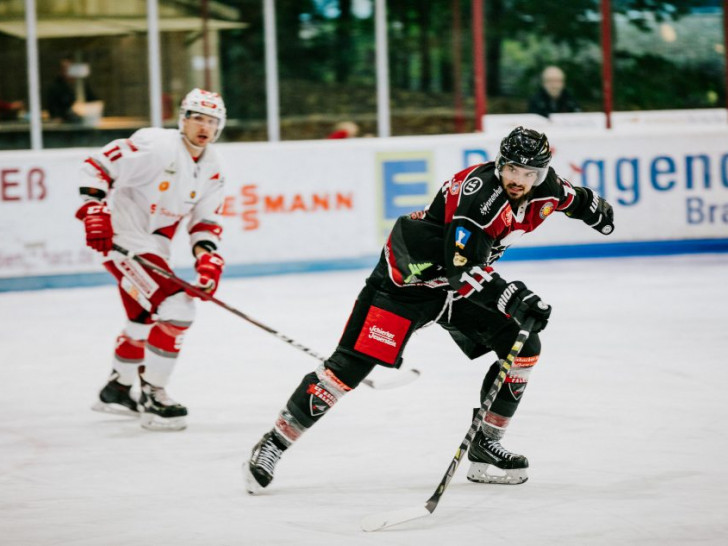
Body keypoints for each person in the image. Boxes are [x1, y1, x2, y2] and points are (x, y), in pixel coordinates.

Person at [244, 126, 615, 492]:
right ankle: (274, 444)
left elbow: (574, 198)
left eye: (529, 173)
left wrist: (594, 209)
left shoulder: (546, 188)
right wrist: (513, 298)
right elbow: (463, 270)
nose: (519, 180)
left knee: (524, 348)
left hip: (456, 290)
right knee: (347, 370)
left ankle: (486, 445)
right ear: (500, 163)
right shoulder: (479, 197)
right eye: (512, 170)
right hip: (407, 285)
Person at [76, 88, 228, 431]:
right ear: (183, 120)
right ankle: (153, 395)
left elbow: (205, 222)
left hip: (153, 249)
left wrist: (207, 261)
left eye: (212, 121)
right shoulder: (157, 146)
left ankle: (116, 389)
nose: (204, 127)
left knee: (142, 320)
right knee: (177, 308)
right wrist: (93, 210)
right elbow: (96, 166)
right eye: (198, 118)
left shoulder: (214, 168)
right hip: (121, 241)